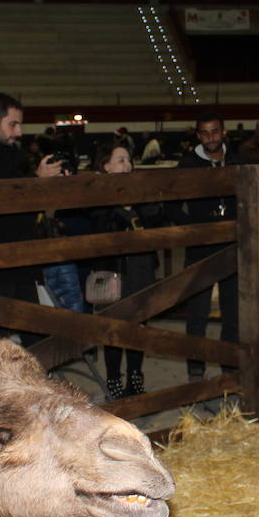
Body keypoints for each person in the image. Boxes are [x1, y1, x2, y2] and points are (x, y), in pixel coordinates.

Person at [0, 92, 68, 344]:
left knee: (32, 336)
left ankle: (32, 381)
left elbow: (27, 206)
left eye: (20, 124)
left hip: (23, 262)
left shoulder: (12, 156)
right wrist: (37, 182)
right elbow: (1, 203)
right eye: (12, 124)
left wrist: (46, 184)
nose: (18, 132)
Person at [167, 107, 242, 382]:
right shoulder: (187, 165)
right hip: (200, 248)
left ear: (223, 132)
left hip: (233, 245)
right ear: (198, 135)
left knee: (233, 311)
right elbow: (171, 203)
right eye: (205, 132)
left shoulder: (238, 161)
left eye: (215, 131)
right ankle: (196, 368)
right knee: (197, 312)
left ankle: (230, 365)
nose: (210, 137)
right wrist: (191, 228)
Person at [88, 142, 163, 399]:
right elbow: (98, 227)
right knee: (114, 327)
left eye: (128, 160)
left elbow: (157, 218)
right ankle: (112, 379)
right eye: (120, 160)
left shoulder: (140, 195)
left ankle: (135, 375)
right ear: (106, 166)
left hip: (141, 269)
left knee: (138, 325)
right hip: (114, 273)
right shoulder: (99, 199)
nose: (127, 165)